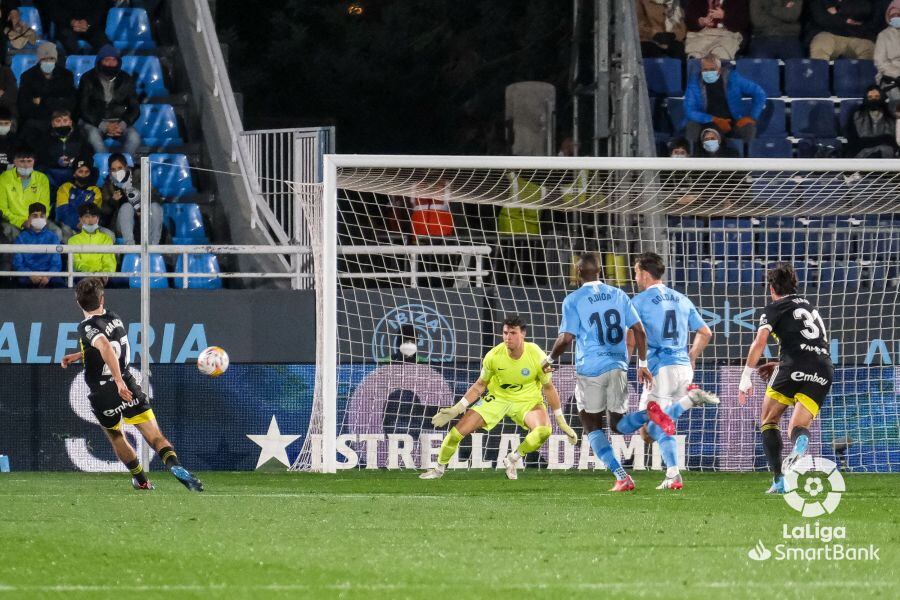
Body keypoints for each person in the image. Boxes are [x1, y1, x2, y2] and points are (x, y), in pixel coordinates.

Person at [543, 253, 674, 491]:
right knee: (618, 424)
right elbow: (639, 331)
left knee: (591, 424)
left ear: (578, 272)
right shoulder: (619, 295)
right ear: (600, 272)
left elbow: (566, 338)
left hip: (590, 370)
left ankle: (621, 476)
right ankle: (649, 414)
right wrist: (643, 364)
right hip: (618, 366)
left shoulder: (573, 299)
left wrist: (550, 358)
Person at [59, 277, 204, 492]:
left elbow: (106, 348)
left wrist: (117, 382)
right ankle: (174, 466)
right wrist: (78, 355)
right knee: (156, 437)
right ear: (102, 298)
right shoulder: (114, 318)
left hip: (106, 392)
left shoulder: (86, 327)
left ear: (78, 303)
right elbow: (106, 348)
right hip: (130, 385)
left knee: (117, 435)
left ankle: (141, 480)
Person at [419, 315, 578, 480]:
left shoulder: (537, 355)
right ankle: (438, 469)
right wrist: (457, 408)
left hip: (527, 400)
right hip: (497, 398)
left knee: (544, 431)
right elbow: (480, 385)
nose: (508, 337)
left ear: (523, 334)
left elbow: (548, 388)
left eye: (513, 333)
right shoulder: (493, 356)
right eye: (505, 333)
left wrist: (561, 421)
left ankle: (513, 458)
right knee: (455, 433)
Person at [616, 252, 718, 490]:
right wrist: (692, 356)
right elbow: (706, 333)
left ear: (643, 272)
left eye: (635, 272)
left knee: (646, 429)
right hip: (683, 368)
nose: (635, 278)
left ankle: (688, 401)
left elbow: (631, 340)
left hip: (660, 370)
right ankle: (673, 475)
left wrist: (625, 367)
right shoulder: (681, 299)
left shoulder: (638, 302)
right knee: (656, 428)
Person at [739, 263, 833, 494]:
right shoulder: (811, 307)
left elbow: (759, 342)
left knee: (769, 421)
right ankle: (800, 442)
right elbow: (811, 346)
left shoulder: (774, 308)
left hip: (792, 367)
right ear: (795, 285)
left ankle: (779, 480)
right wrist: (782, 364)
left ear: (772, 288)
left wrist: (746, 376)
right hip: (823, 370)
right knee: (798, 426)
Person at [684, 54, 766, 146]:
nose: (708, 72)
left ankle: (748, 157)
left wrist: (752, 117)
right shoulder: (694, 83)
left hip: (733, 122)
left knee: (749, 127)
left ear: (719, 70)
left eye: (712, 69)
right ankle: (692, 157)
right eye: (705, 70)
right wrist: (715, 120)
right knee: (692, 125)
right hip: (707, 122)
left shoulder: (733, 78)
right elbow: (689, 111)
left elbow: (759, 93)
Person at [78, 46, 142, 156]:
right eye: (106, 60)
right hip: (95, 122)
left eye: (113, 60)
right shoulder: (87, 79)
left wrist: (122, 125)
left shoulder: (126, 80)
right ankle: (105, 166)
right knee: (94, 137)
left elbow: (135, 109)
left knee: (134, 138)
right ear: (99, 62)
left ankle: (123, 166)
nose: (110, 64)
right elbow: (83, 108)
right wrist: (103, 125)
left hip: (119, 121)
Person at [16, 41, 77, 138]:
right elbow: (25, 107)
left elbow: (70, 102)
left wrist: (43, 101)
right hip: (38, 120)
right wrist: (56, 101)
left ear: (56, 59)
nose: (48, 62)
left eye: (51, 58)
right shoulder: (28, 77)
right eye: (44, 59)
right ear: (39, 60)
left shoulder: (66, 76)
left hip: (60, 118)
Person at [102, 153, 163, 244]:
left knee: (155, 207)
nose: (117, 172)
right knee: (126, 207)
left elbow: (157, 199)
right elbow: (104, 212)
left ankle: (153, 246)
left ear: (126, 167)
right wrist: (113, 201)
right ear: (110, 171)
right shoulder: (108, 184)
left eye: (120, 168)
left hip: (146, 220)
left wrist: (142, 206)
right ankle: (129, 245)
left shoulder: (140, 178)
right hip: (122, 225)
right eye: (113, 169)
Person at [0, 146, 57, 241]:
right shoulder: (4, 178)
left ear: (34, 161)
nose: (26, 165)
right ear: (14, 161)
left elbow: (45, 206)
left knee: (56, 232)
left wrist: (38, 221)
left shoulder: (42, 178)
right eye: (22, 161)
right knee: (11, 233)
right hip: (13, 222)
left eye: (29, 161)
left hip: (37, 219)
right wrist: (22, 222)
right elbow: (2, 209)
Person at [56, 158, 112, 241]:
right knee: (66, 230)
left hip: (90, 225)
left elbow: (95, 212)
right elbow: (63, 211)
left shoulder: (95, 190)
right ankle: (68, 254)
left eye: (86, 172)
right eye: (80, 171)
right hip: (69, 225)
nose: (84, 174)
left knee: (109, 235)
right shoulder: (65, 187)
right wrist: (77, 223)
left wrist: (86, 224)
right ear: (74, 174)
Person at [34, 109, 87, 190]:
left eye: (65, 120)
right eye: (58, 121)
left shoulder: (80, 137)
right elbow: (41, 157)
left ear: (70, 122)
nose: (62, 124)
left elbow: (86, 154)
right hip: (52, 171)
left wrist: (75, 162)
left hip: (73, 171)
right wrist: (56, 161)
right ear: (52, 124)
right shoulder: (45, 138)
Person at [12, 202, 62, 288]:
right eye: (35, 216)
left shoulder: (53, 237)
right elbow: (18, 264)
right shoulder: (21, 237)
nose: (39, 218)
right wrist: (30, 275)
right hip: (27, 277)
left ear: (46, 219)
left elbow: (56, 264)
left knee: (60, 286)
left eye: (42, 216)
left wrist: (47, 276)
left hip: (50, 277)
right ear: (29, 218)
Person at [807, 0, 876, 60]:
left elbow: (865, 9)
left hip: (855, 35)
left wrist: (838, 9)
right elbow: (822, 19)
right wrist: (847, 20)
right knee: (820, 45)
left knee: (869, 48)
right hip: (828, 34)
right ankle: (819, 74)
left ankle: (862, 75)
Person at [683, 0, 751, 59]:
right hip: (704, 35)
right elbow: (689, 21)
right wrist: (701, 21)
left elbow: (743, 23)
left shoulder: (738, 1)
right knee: (695, 53)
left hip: (728, 34)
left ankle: (717, 70)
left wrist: (725, 16)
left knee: (720, 53)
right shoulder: (697, 2)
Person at [845, 85, 897, 158]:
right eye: (870, 97)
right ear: (866, 98)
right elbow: (856, 139)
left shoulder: (889, 115)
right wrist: (883, 138)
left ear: (881, 97)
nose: (874, 99)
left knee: (886, 150)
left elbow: (891, 139)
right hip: (861, 151)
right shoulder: (857, 114)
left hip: (886, 152)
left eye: (877, 97)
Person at [68, 202, 116, 280]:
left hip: (103, 277)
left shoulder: (107, 239)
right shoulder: (73, 241)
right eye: (87, 217)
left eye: (93, 216)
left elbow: (109, 262)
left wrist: (105, 274)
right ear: (80, 219)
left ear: (98, 219)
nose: (90, 220)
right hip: (82, 276)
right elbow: (76, 263)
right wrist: (92, 273)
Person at [875, 1, 900, 110]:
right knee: (897, 98)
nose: (895, 17)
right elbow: (880, 62)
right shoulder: (883, 35)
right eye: (892, 16)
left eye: (898, 15)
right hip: (890, 77)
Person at [0, 106, 17, 171]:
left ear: (11, 123)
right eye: (0, 123)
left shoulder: (15, 140)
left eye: (6, 123)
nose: (3, 126)